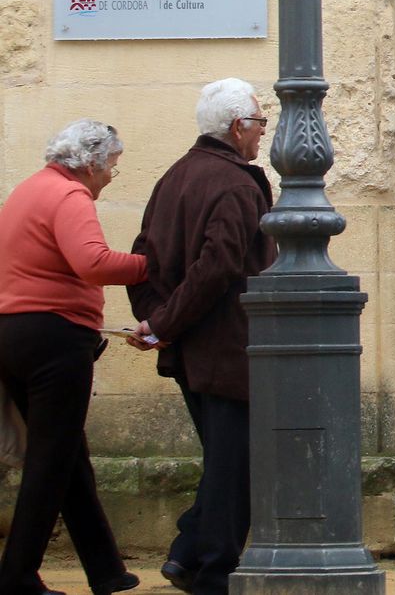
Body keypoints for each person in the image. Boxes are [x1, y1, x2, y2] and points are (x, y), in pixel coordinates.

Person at [128, 79, 277, 595]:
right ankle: (211, 570)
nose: (262, 133)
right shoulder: (236, 183)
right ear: (238, 128)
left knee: (226, 460)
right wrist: (162, 325)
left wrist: (157, 321)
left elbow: (143, 258)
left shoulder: (175, 176)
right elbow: (218, 267)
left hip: (192, 347)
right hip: (228, 346)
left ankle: (189, 554)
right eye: (259, 123)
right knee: (238, 465)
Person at [0, 120, 146, 595]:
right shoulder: (69, 195)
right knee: (50, 460)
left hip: (14, 333)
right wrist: (153, 265)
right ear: (90, 163)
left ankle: (105, 569)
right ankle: (17, 576)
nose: (109, 178)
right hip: (55, 339)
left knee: (67, 455)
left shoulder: (30, 189)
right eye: (111, 167)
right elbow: (93, 263)